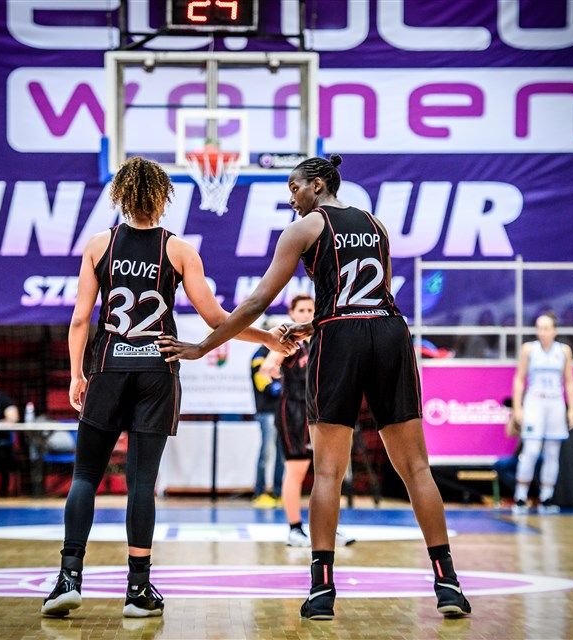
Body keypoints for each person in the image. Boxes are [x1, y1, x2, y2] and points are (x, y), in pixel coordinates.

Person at [157, 155, 470, 619]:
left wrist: (203, 347)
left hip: (341, 340)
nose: (291, 198)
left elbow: (257, 301)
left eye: (294, 187)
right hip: (389, 333)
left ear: (318, 185)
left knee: (326, 472)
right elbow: (369, 297)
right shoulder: (376, 224)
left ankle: (322, 590)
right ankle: (448, 584)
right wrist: (314, 324)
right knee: (416, 468)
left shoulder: (304, 228)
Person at [41, 157, 292, 619]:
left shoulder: (99, 245)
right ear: (162, 197)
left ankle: (68, 578)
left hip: (108, 366)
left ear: (121, 195)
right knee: (142, 482)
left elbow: (79, 319)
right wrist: (267, 338)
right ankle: (138, 589)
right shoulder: (178, 250)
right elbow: (217, 319)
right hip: (157, 370)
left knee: (85, 475)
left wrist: (77, 374)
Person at [261, 295, 356, 548]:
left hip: (321, 410)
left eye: (310, 310)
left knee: (328, 470)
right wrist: (273, 369)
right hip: (294, 410)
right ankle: (294, 529)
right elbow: (267, 366)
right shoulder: (289, 340)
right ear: (292, 314)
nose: (306, 314)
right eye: (301, 310)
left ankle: (328, 528)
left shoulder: (323, 339)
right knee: (296, 470)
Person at [510, 311, 573, 515]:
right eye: (539, 328)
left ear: (554, 330)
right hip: (535, 402)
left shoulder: (563, 351)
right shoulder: (529, 349)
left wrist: (572, 409)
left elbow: (570, 381)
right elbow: (519, 379)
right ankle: (520, 497)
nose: (542, 332)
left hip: (555, 402)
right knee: (530, 450)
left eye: (546, 328)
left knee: (552, 452)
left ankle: (547, 497)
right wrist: (517, 407)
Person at [250, 324, 285, 508]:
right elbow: (263, 383)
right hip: (267, 412)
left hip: (282, 411)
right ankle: (260, 492)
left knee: (282, 454)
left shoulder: (281, 353)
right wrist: (279, 386)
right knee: (266, 452)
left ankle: (279, 492)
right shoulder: (259, 355)